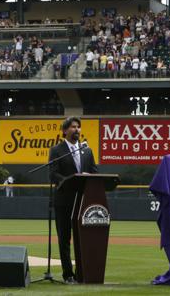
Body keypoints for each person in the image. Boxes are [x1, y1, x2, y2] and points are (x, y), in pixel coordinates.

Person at [49, 116, 98, 283]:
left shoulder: (87, 150)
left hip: (84, 200)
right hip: (64, 200)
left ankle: (82, 273)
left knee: (82, 238)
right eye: (72, 127)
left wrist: (88, 176)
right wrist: (71, 180)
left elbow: (95, 171)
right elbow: (53, 174)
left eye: (78, 127)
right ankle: (68, 274)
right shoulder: (56, 150)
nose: (76, 129)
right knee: (64, 239)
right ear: (64, 131)